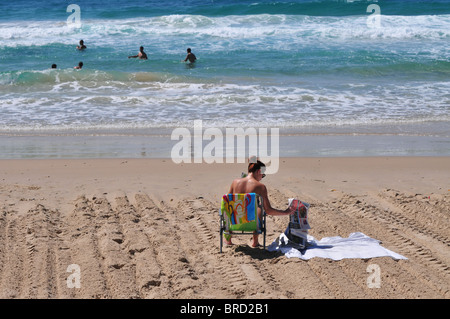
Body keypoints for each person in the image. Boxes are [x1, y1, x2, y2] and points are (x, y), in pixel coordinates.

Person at [226, 158, 295, 247]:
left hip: (234, 223)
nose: (262, 177)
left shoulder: (235, 182)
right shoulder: (260, 187)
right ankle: (255, 241)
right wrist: (286, 212)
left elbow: (226, 201)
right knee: (259, 207)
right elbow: (269, 210)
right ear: (259, 171)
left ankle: (228, 239)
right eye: (263, 174)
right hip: (252, 224)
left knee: (234, 204)